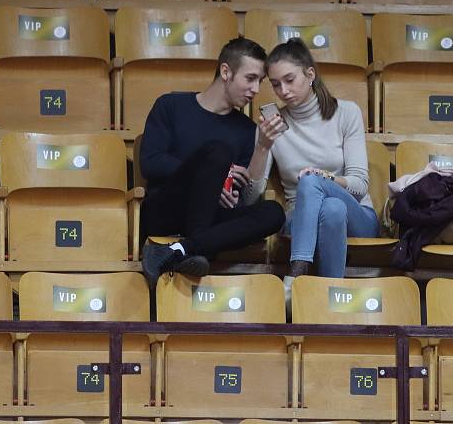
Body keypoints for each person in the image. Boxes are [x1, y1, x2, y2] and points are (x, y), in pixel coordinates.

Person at [140, 37, 286, 287]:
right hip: (166, 209)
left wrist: (262, 147)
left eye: (259, 81)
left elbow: (241, 197)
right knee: (218, 152)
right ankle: (196, 250)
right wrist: (206, 179)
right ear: (226, 71)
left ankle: (182, 250)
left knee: (274, 213)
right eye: (250, 78)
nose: (255, 89)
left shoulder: (245, 129)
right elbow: (151, 163)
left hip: (210, 218)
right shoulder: (171, 105)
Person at [245, 38, 379, 297]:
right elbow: (251, 197)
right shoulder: (272, 126)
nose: (283, 90)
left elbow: (360, 185)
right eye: (275, 84)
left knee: (313, 183)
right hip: (299, 217)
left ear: (310, 74)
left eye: (289, 79)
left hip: (359, 215)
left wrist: (324, 178)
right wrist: (262, 146)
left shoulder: (347, 113)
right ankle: (331, 297)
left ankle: (296, 274)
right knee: (332, 209)